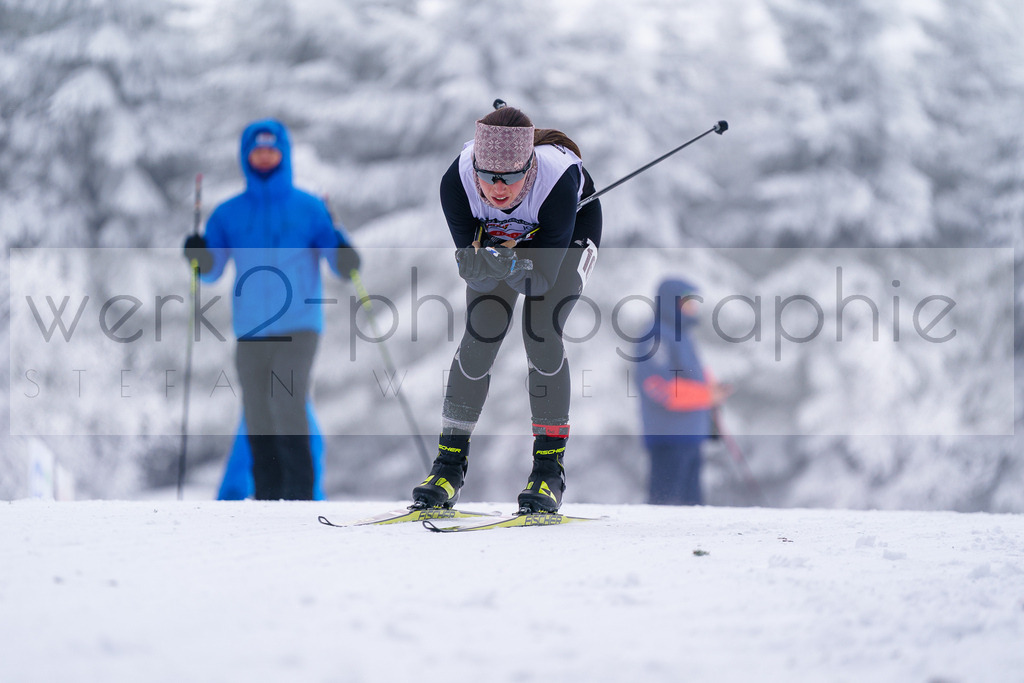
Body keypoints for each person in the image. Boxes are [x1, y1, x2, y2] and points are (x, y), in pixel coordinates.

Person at [410, 102, 602, 514]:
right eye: (488, 177)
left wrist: (506, 260)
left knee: (541, 330)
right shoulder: (456, 184)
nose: (498, 189)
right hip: (509, 247)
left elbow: (541, 281)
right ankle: (448, 467)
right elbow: (478, 278)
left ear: (528, 168)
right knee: (481, 333)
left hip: (567, 237)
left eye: (511, 179)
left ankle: (549, 472)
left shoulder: (556, 183)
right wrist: (486, 264)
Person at [182, 118, 360, 500]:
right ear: (247, 156)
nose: (264, 157)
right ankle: (267, 497)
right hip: (250, 329)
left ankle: (299, 495)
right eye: (257, 151)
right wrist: (197, 255)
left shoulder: (309, 207)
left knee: (287, 400)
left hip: (300, 325)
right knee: (258, 412)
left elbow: (336, 260)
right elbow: (210, 270)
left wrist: (345, 256)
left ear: (284, 154)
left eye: (271, 150)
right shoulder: (228, 213)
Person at [634, 278, 729, 505]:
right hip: (668, 437)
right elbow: (660, 389)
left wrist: (713, 390)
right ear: (671, 303)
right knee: (665, 508)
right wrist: (707, 395)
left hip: (690, 435)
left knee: (691, 511)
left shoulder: (682, 334)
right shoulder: (656, 336)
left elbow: (695, 374)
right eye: (687, 302)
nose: (693, 307)